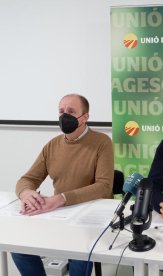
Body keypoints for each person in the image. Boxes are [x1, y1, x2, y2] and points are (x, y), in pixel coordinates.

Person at [12, 94, 114, 276]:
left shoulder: (102, 142)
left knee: (79, 254)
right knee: (19, 247)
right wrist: (26, 193)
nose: (64, 116)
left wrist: (61, 198)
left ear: (85, 117)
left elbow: (104, 186)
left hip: (89, 216)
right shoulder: (52, 145)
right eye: (61, 111)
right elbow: (28, 179)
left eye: (71, 111)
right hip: (58, 213)